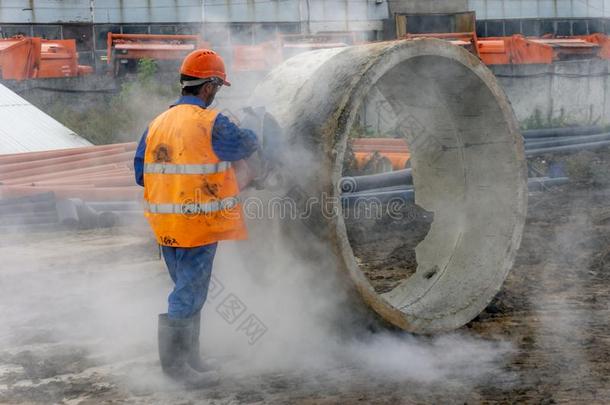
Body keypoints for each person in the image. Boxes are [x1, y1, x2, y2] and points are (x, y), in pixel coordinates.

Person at [133, 49, 259, 387]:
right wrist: (258, 130)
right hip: (197, 226)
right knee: (188, 295)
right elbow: (244, 146)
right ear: (209, 86)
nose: (217, 93)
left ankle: (190, 359)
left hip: (166, 227)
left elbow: (140, 174)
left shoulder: (156, 124)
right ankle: (177, 369)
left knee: (187, 290)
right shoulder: (211, 121)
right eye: (218, 86)